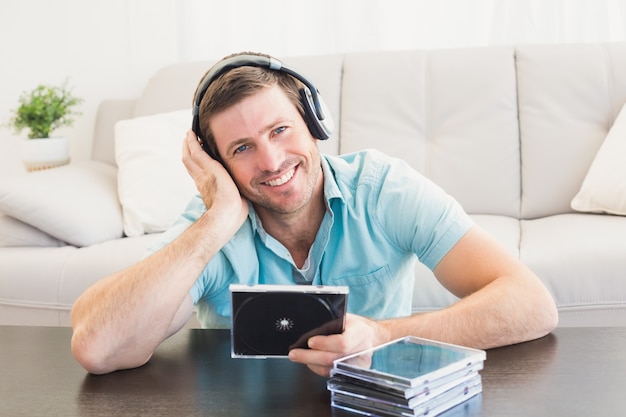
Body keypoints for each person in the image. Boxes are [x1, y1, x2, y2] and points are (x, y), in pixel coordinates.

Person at [71, 52, 558, 376]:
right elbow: (97, 347)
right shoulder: (207, 227)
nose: (270, 161)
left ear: (312, 121)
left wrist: (385, 334)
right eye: (242, 148)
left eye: (280, 129)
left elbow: (532, 304)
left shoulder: (384, 189)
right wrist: (215, 224)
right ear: (216, 164)